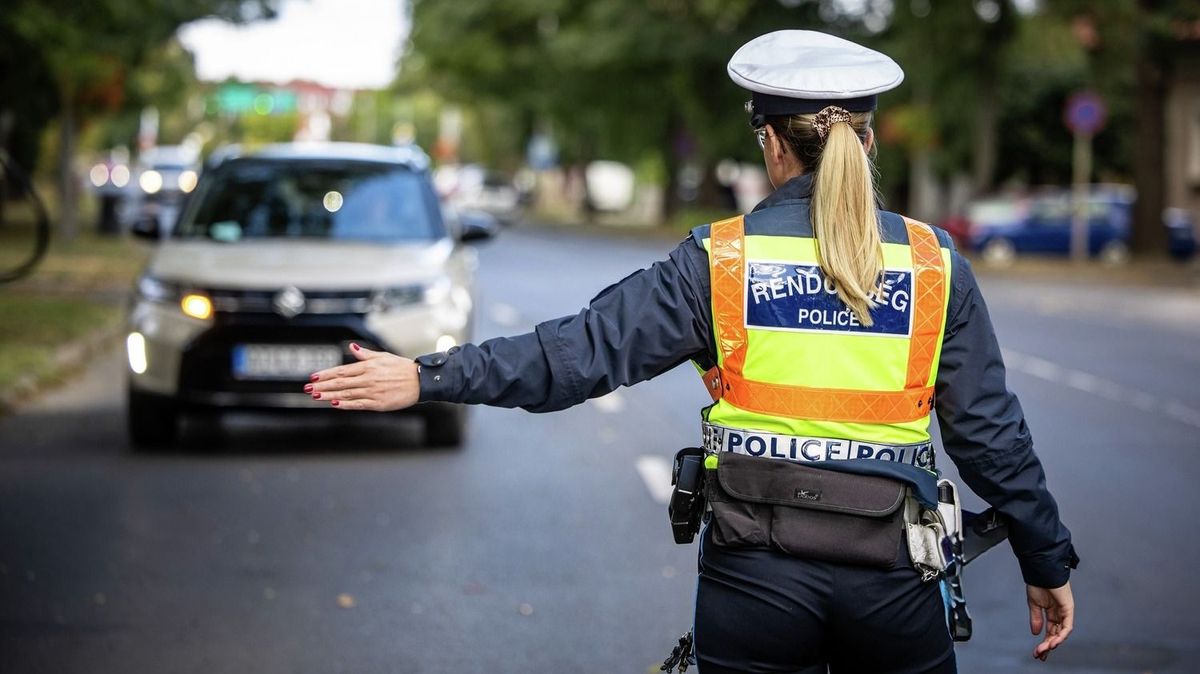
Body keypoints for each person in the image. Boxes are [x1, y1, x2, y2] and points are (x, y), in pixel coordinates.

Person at [306, 30, 1077, 674]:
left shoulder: (720, 261)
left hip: (755, 583)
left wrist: (427, 376)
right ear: (867, 141)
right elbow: (990, 437)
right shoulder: (933, 265)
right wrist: (1045, 560)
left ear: (771, 144)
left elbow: (577, 353)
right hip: (894, 585)